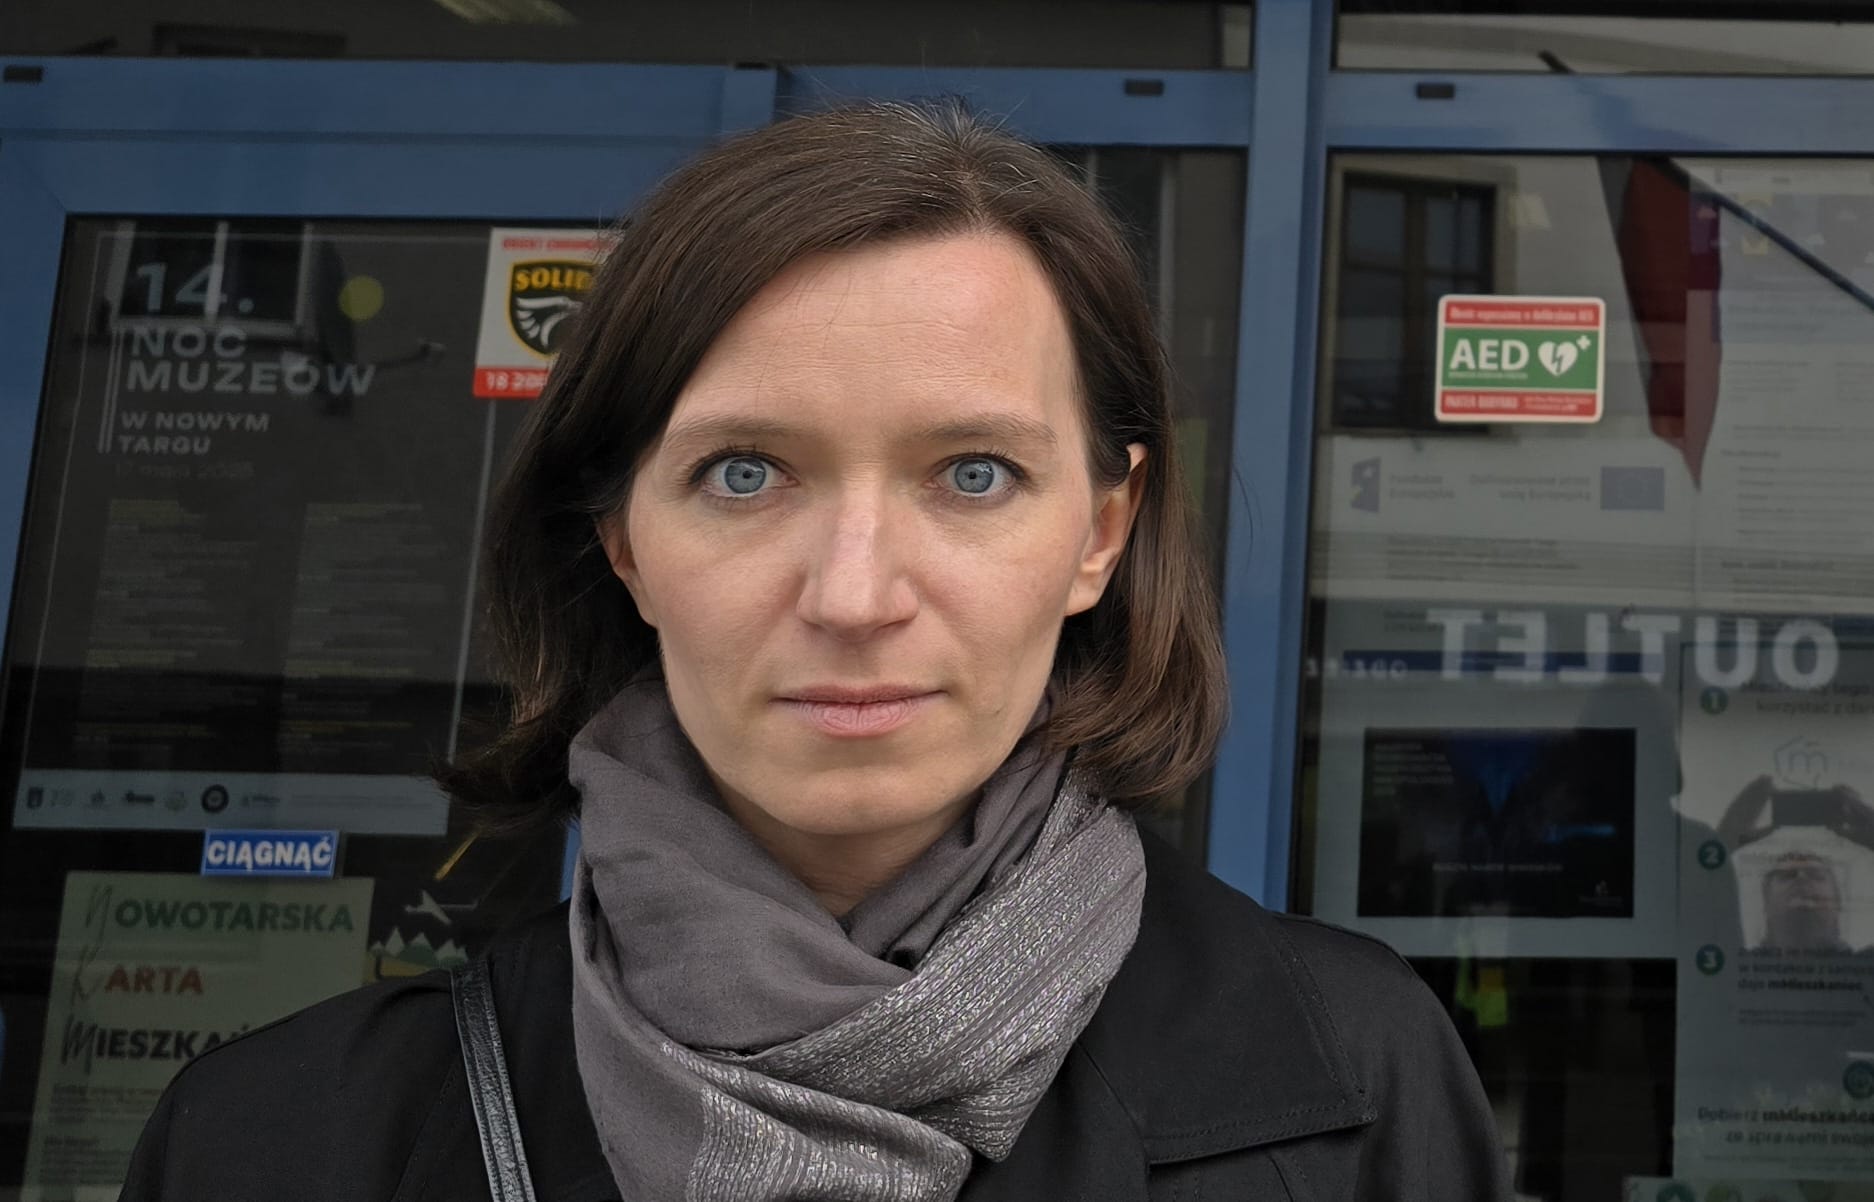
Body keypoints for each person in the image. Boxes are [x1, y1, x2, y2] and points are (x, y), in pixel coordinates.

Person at [117, 101, 1510, 1201]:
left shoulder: (1359, 1085)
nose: (853, 595)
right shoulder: (278, 1141)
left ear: (1101, 531)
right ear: (621, 539)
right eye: (743, 474)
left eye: (971, 474)